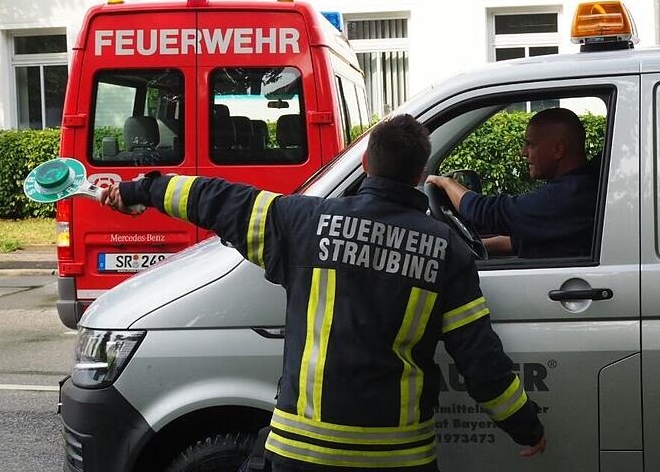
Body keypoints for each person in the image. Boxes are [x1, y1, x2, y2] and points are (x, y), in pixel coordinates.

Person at [100, 114, 546, 471]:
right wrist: (524, 426)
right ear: (419, 175)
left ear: (367, 164)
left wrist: (138, 191)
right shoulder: (446, 250)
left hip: (302, 451)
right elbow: (479, 357)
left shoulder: (303, 221)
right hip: (398, 455)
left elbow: (213, 197)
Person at [426, 107, 599, 258]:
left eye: (530, 144)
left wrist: (445, 183)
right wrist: (468, 247)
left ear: (557, 150)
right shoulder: (580, 187)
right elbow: (522, 241)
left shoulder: (569, 195)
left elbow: (488, 212)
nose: (524, 153)